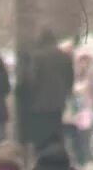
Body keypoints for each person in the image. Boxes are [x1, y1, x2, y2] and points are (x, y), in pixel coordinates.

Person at [21, 30, 75, 158]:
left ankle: (41, 157)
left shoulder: (37, 57)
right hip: (58, 102)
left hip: (39, 102)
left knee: (41, 132)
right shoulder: (64, 56)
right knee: (56, 130)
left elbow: (31, 80)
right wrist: (66, 94)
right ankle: (57, 155)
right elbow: (70, 79)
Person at [63, 52, 93, 169]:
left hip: (85, 110)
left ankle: (84, 159)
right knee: (72, 136)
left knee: (84, 136)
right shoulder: (71, 75)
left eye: (86, 62)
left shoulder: (90, 76)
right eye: (82, 61)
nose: (84, 65)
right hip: (73, 111)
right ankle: (74, 159)